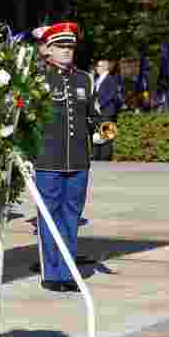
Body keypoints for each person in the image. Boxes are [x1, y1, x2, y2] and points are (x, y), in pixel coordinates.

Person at [32, 23, 100, 292]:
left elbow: (93, 114)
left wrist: (104, 126)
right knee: (49, 217)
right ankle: (51, 273)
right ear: (47, 49)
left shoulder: (84, 79)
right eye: (61, 46)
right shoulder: (38, 79)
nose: (67, 51)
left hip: (79, 159)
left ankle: (68, 270)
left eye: (70, 47)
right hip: (48, 159)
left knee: (72, 215)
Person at [92, 58, 122, 161]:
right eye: (97, 66)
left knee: (107, 133)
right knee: (97, 133)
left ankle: (105, 156)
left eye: (99, 66)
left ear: (105, 67)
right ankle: (96, 155)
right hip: (97, 110)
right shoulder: (97, 79)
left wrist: (100, 104)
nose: (96, 68)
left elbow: (112, 94)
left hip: (107, 110)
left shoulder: (110, 79)